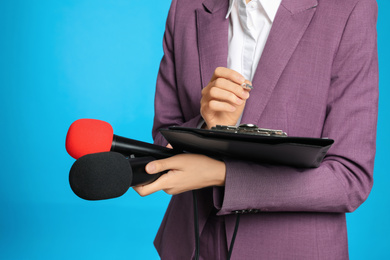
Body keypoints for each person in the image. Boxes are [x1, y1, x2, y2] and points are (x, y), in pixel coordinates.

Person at [133, 0, 379, 259]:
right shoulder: (185, 7)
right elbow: (163, 136)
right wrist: (206, 124)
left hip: (293, 249)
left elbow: (349, 178)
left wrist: (224, 175)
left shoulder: (349, 8)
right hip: (192, 243)